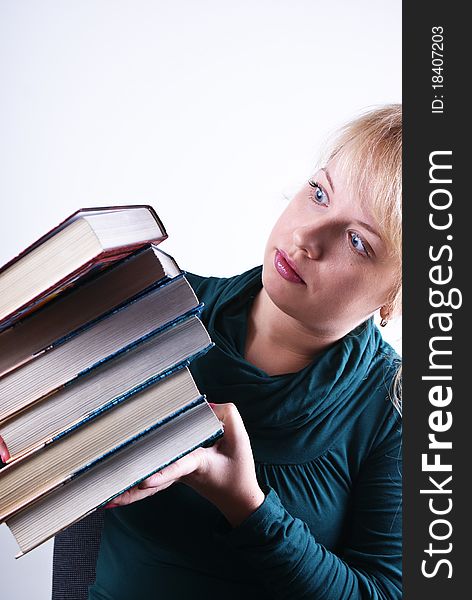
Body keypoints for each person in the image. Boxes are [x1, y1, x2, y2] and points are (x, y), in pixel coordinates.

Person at [2, 104, 403, 600]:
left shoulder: (396, 409)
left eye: (358, 242)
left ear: (396, 294)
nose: (305, 237)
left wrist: (249, 507)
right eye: (319, 193)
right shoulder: (148, 305)